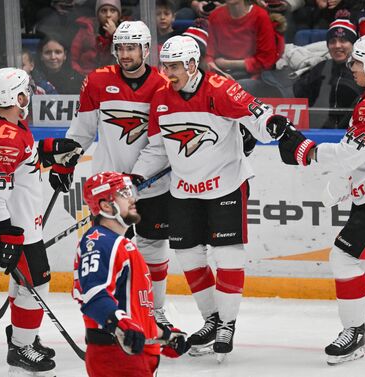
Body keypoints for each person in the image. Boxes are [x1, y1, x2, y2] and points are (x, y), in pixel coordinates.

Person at [270, 33, 365, 365]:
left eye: (358, 62)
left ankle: (354, 333)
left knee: (344, 258)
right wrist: (351, 181)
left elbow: (349, 155)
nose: (351, 66)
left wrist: (304, 151)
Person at [131, 35, 284, 360]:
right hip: (185, 189)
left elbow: (257, 115)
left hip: (226, 185)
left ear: (191, 64)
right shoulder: (161, 98)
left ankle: (227, 323)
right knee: (188, 255)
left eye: (174, 66)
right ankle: (212, 320)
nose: (168, 72)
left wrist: (272, 125)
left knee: (227, 254)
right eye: (165, 65)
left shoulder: (220, 88)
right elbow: (158, 148)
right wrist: (136, 177)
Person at [0, 67, 83, 374]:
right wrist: (8, 234)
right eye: (25, 90)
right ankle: (21, 346)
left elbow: (22, 157)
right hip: (15, 223)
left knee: (26, 282)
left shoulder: (1, 119)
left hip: (22, 219)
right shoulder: (7, 140)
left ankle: (21, 334)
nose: (28, 94)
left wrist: (52, 151)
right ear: (17, 96)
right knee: (37, 284)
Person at [65, 21, 176, 329]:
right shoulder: (97, 81)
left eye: (132, 47)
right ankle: (112, 316)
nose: (125, 54)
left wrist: (137, 177)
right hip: (108, 189)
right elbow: (82, 131)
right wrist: (66, 160)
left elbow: (162, 142)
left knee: (153, 248)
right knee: (108, 251)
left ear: (146, 49)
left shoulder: (163, 85)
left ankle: (154, 312)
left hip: (152, 186)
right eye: (120, 48)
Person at [73, 171, 189, 377]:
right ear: (105, 206)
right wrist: (122, 325)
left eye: (130, 191)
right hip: (116, 358)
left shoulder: (121, 244)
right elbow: (94, 295)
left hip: (133, 357)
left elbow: (133, 313)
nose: (133, 198)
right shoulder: (101, 241)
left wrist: (164, 336)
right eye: (124, 193)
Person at [294, 19, 363, 129]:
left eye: (343, 40)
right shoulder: (320, 68)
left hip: (354, 132)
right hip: (322, 130)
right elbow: (299, 98)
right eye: (332, 41)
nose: (337, 45)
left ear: (353, 44)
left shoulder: (363, 70)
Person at [206, 0, 280, 96]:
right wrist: (220, 73)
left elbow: (266, 60)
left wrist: (227, 64)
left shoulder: (260, 16)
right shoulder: (215, 16)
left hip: (253, 76)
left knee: (232, 89)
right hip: (221, 73)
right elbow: (208, 55)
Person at [70, 0, 122, 75]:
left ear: (118, 15)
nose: (108, 15)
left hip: (111, 76)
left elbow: (125, 56)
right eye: (103, 11)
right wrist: (81, 74)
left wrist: (115, 34)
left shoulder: (125, 31)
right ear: (97, 14)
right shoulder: (85, 30)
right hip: (86, 76)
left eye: (113, 11)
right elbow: (73, 58)